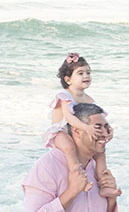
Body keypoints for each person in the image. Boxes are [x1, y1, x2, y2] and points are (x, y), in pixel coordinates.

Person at [45, 53, 109, 187]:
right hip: (61, 133)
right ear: (68, 80)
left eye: (88, 72)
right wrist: (87, 128)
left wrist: (108, 130)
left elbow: (97, 118)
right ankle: (77, 176)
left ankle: (103, 182)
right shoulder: (65, 96)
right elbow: (69, 118)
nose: (86, 76)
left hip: (79, 133)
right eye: (80, 73)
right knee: (69, 147)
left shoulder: (89, 99)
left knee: (100, 151)